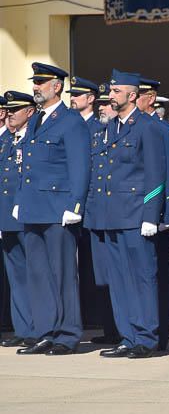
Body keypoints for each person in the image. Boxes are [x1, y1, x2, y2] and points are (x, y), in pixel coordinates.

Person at [13, 63, 90, 355]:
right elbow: (28, 166)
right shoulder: (34, 121)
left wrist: (75, 205)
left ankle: (67, 334)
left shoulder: (71, 121)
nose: (36, 87)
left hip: (59, 209)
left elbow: (80, 166)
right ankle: (46, 331)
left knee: (62, 274)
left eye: (41, 82)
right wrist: (20, 199)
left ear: (57, 86)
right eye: (35, 82)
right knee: (39, 275)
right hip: (34, 207)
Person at [95, 69, 166, 359]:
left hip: (136, 215)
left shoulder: (146, 127)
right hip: (113, 215)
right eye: (111, 91)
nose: (110, 96)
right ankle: (128, 335)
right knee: (120, 279)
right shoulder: (112, 126)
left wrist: (151, 214)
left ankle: (146, 338)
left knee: (141, 278)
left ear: (133, 95)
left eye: (116, 91)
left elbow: (155, 174)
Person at [136, 77, 169, 350]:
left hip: (158, 215)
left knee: (158, 274)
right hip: (136, 212)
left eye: (139, 94)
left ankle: (160, 332)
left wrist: (165, 212)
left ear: (150, 97)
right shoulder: (133, 128)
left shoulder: (163, 130)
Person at [82, 83, 120, 345]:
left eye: (107, 103)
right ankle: (110, 328)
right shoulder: (96, 134)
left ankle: (122, 329)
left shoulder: (122, 133)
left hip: (119, 214)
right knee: (103, 276)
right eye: (101, 104)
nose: (103, 108)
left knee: (120, 276)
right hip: (96, 214)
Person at [0, 92, 35, 349]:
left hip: (27, 216)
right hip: (8, 217)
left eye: (15, 110)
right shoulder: (9, 142)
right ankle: (23, 328)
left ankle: (37, 326)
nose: (10, 113)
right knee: (17, 276)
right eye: (9, 110)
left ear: (29, 112)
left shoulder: (32, 138)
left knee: (33, 275)